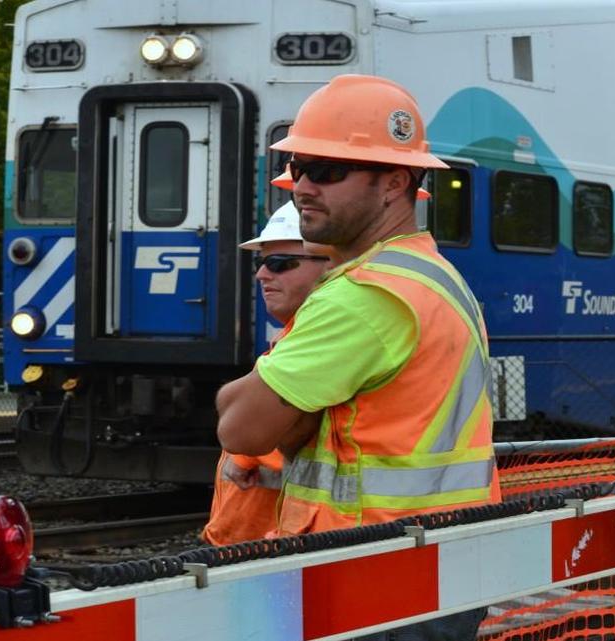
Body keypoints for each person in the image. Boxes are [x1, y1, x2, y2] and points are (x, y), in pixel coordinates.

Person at [216, 75, 498, 640]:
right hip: (438, 566)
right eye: (297, 169)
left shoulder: (364, 295)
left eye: (326, 171)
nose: (301, 187)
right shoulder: (433, 276)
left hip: (371, 570)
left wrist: (253, 398)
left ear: (394, 183)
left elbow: (240, 426)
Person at [202, 202, 331, 546]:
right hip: (253, 547)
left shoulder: (326, 336)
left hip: (267, 552)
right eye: (261, 263)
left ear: (331, 266)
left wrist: (248, 452)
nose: (262, 275)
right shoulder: (295, 333)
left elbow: (308, 430)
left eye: (280, 264)